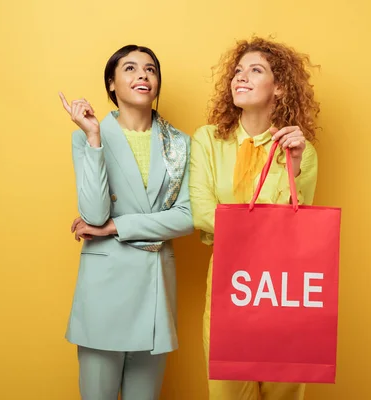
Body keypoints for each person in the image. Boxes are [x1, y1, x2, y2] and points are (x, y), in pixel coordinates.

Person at [59, 44, 193, 400]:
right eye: (130, 68)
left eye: (150, 69)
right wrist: (93, 139)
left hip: (155, 290)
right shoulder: (88, 138)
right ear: (111, 84)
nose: (143, 75)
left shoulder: (180, 144)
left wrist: (116, 228)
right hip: (104, 288)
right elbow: (94, 214)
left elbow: (187, 216)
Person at [189, 36, 320, 400]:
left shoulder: (299, 149)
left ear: (280, 88)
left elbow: (294, 224)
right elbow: (202, 211)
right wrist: (261, 225)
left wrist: (292, 164)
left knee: (284, 393)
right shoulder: (207, 140)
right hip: (229, 286)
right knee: (228, 393)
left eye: (255, 70)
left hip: (287, 289)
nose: (240, 78)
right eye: (238, 71)